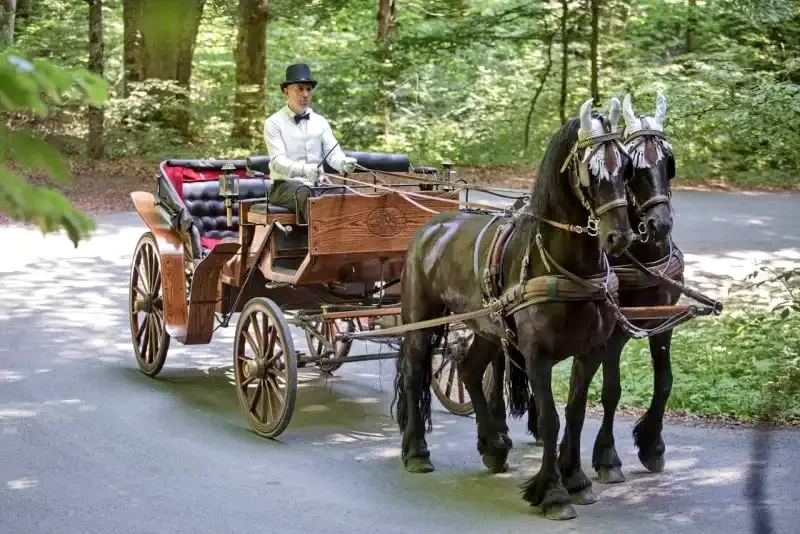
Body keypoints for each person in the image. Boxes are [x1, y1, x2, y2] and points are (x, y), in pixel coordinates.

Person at [263, 63, 357, 223]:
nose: (305, 94)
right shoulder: (273, 123)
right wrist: (304, 170)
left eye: (308, 89)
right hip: (284, 187)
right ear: (286, 91)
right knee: (308, 194)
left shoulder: (320, 122)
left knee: (346, 195)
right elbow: (277, 162)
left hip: (317, 185)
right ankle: (320, 238)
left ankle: (347, 237)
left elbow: (333, 154)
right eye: (299, 89)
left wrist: (343, 163)